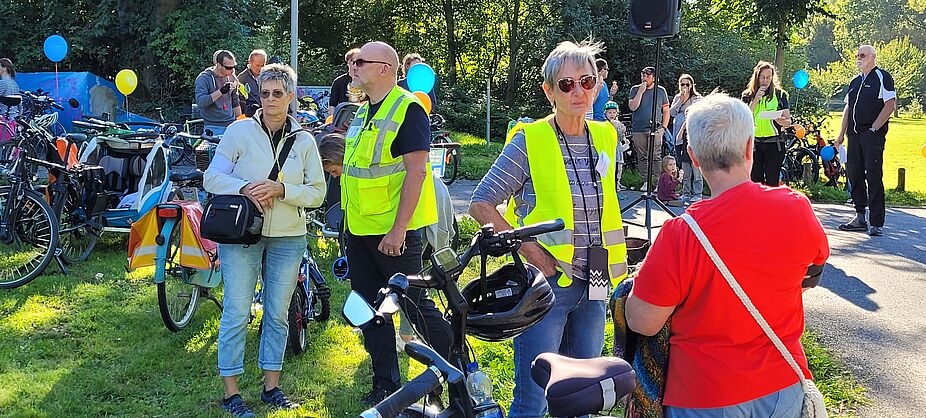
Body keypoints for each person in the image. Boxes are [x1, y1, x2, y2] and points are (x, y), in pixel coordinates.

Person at [624, 93, 829, 417]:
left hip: (704, 395)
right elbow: (812, 270)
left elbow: (643, 322)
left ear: (693, 156)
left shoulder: (681, 234)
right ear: (749, 148)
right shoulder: (796, 208)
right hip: (782, 386)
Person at [470, 40, 628, 418]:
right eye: (566, 84)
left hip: (596, 273)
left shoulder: (606, 135)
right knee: (533, 398)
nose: (578, 91)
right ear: (549, 91)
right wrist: (531, 251)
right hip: (549, 281)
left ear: (597, 86)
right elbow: (481, 204)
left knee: (585, 394)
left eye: (586, 81)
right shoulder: (530, 139)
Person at [203, 63, 327, 417]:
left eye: (278, 93)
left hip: (288, 237)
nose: (270, 100)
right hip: (242, 235)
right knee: (236, 311)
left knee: (277, 313)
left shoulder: (304, 140)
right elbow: (212, 177)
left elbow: (318, 192)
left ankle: (272, 387)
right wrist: (244, 187)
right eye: (265, 93)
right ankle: (231, 393)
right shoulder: (238, 132)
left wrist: (282, 190)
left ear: (290, 97)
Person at [340, 41, 453, 405]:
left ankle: (459, 370)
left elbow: (417, 172)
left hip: (393, 233)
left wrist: (399, 229)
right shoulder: (363, 111)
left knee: (415, 306)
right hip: (359, 229)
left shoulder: (408, 108)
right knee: (369, 309)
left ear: (385, 68)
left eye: (361, 62)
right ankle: (385, 384)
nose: (354, 66)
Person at [835, 45, 896, 237]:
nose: (859, 58)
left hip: (871, 135)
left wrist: (874, 129)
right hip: (853, 136)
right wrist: (840, 135)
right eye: (857, 55)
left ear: (872, 57)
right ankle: (860, 217)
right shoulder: (854, 81)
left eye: (862, 55)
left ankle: (876, 222)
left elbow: (890, 105)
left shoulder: (882, 77)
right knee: (854, 174)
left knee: (874, 176)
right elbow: (848, 109)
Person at [742, 61, 792, 187]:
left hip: (774, 143)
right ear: (757, 77)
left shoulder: (780, 94)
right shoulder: (747, 95)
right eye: (763, 77)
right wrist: (755, 100)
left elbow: (788, 121)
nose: (765, 81)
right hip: (754, 144)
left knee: (772, 180)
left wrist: (782, 121)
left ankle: (771, 200)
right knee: (755, 180)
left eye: (769, 77)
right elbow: (744, 118)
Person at [628, 66, 670, 189]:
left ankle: (657, 183)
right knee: (642, 156)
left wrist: (663, 128)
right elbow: (632, 107)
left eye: (648, 76)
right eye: (643, 75)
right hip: (638, 128)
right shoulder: (635, 89)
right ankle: (645, 181)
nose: (645, 78)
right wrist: (640, 92)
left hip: (655, 128)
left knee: (655, 156)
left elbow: (666, 110)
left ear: (654, 78)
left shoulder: (660, 91)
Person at [670, 73, 703, 201]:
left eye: (687, 84)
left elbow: (698, 113)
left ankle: (697, 193)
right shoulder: (678, 97)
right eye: (682, 84)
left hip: (693, 135)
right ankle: (686, 191)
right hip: (679, 135)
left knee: (696, 167)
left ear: (691, 85)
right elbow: (672, 113)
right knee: (683, 164)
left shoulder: (697, 98)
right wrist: (681, 100)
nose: (684, 87)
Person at [195, 50, 242, 136]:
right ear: (219, 65)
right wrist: (221, 91)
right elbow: (201, 102)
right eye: (228, 68)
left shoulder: (231, 77)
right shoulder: (204, 78)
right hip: (213, 126)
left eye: (233, 67)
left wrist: (240, 123)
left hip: (231, 124)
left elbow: (235, 102)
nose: (232, 71)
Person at [604, 100, 629, 190]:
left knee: (618, 168)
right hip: (608, 149)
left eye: (614, 113)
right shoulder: (604, 124)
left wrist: (625, 138)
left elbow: (621, 137)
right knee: (609, 168)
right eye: (609, 113)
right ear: (605, 113)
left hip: (617, 149)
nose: (612, 114)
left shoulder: (618, 124)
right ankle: (609, 185)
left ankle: (617, 184)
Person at [328, 48, 361, 114]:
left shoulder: (367, 80)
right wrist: (333, 119)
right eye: (355, 61)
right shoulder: (338, 82)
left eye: (361, 62)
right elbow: (332, 105)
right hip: (344, 116)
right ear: (349, 62)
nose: (357, 65)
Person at [237, 49, 267, 117]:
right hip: (251, 115)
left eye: (263, 65)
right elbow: (239, 101)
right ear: (250, 62)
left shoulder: (268, 76)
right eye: (258, 65)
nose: (260, 68)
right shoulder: (242, 78)